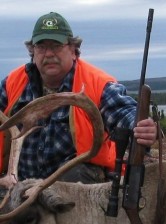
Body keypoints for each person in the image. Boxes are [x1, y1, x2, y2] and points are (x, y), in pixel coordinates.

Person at [0, 12, 157, 184]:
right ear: (33, 51)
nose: (49, 54)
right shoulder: (13, 83)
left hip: (74, 187)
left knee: (77, 174)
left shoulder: (97, 83)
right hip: (19, 184)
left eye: (57, 46)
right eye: (41, 47)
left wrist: (140, 126)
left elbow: (122, 111)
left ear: (74, 51)